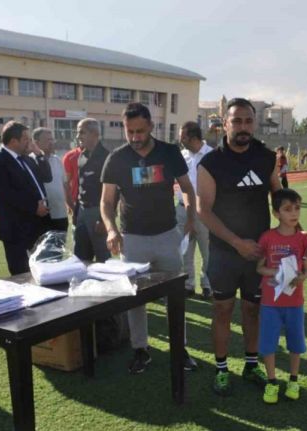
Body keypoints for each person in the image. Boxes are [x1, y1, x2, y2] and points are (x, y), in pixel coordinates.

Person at [101, 102, 198, 373]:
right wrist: (111, 229)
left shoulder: (169, 152)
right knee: (136, 298)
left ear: (151, 127)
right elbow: (106, 201)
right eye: (129, 131)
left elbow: (187, 188)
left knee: (174, 297)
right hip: (132, 240)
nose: (135, 137)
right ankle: (140, 349)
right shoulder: (117, 158)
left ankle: (179, 348)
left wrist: (190, 217)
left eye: (140, 131)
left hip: (167, 236)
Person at [196, 97, 282, 396]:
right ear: (225, 123)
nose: (243, 127)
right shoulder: (211, 163)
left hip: (258, 253)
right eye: (236, 121)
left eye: (248, 121)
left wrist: (293, 230)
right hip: (224, 252)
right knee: (222, 310)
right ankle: (221, 369)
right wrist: (236, 242)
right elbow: (203, 210)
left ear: (254, 123)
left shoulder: (266, 158)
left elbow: (278, 195)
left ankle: (250, 364)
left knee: (252, 310)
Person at [256, 188, 307, 404]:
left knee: (296, 343)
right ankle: (272, 382)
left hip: (295, 302)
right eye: (287, 209)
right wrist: (278, 273)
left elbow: (306, 271)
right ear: (276, 213)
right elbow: (259, 268)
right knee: (268, 343)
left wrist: (300, 277)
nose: (294, 213)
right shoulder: (267, 238)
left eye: (297, 208)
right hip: (271, 302)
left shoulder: (305, 239)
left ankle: (293, 380)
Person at [0, 121, 51, 275]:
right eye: (26, 139)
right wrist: (34, 207)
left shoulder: (27, 159)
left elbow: (47, 176)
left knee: (44, 271)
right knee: (21, 274)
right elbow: (5, 194)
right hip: (16, 228)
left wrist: (39, 154)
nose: (30, 142)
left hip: (38, 224)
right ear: (14, 141)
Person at [176, 121, 214, 299]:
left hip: (205, 211)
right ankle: (187, 284)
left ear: (192, 137)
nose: (180, 140)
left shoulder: (212, 155)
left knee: (207, 250)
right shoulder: (181, 156)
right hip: (182, 209)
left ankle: (208, 285)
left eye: (182, 137)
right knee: (184, 249)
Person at [72, 118, 110, 263]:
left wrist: (103, 219)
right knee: (80, 258)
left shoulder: (106, 157)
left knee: (103, 258)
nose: (78, 136)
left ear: (95, 134)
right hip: (82, 211)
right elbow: (81, 186)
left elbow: (113, 193)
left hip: (98, 212)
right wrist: (76, 212)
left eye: (82, 132)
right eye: (78, 132)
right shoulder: (82, 155)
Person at [33, 127, 69, 232]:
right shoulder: (30, 161)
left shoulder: (57, 160)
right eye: (47, 140)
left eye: (52, 139)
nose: (51, 142)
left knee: (60, 242)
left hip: (60, 214)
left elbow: (65, 185)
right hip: (42, 216)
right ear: (36, 143)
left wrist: (71, 206)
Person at [62, 141, 82, 224]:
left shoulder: (100, 155)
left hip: (96, 202)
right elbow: (65, 184)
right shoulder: (70, 156)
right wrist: (70, 204)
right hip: (76, 202)